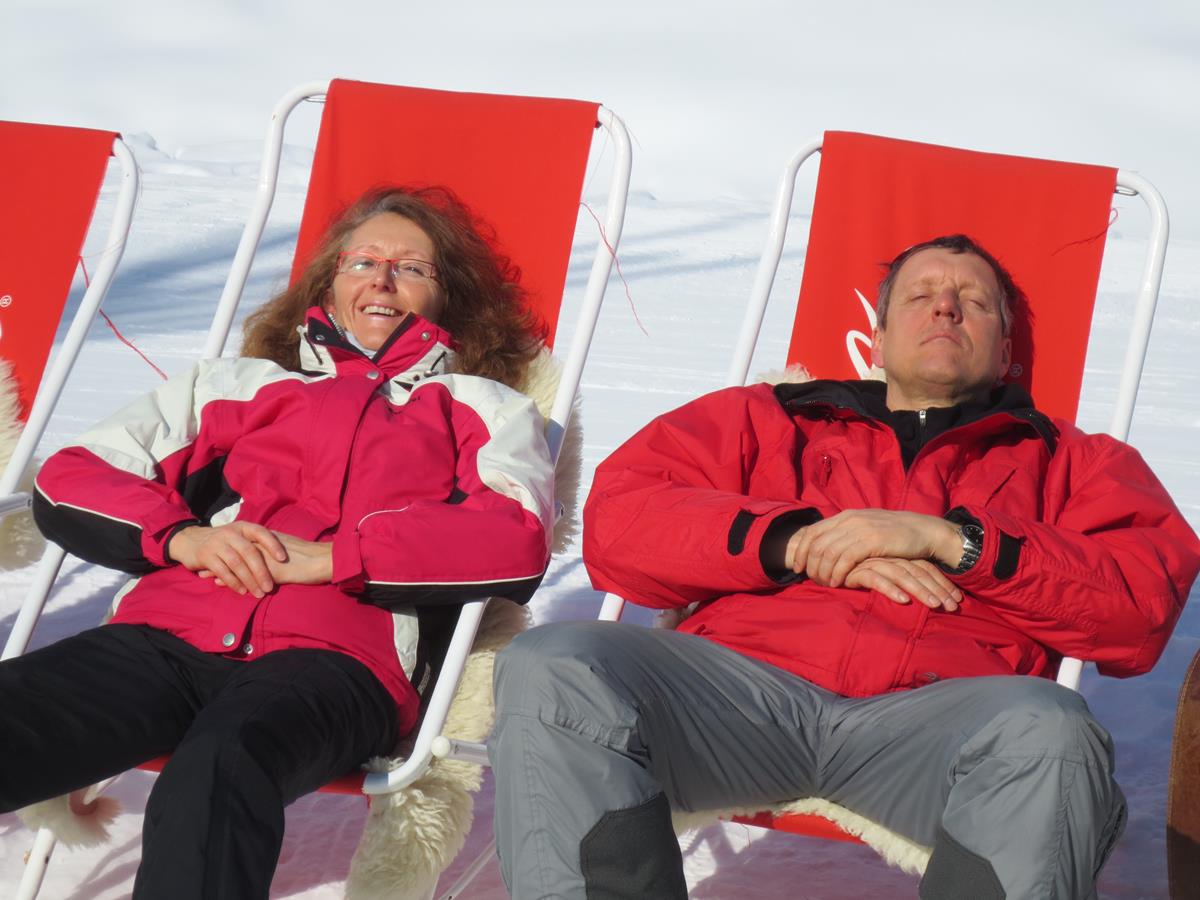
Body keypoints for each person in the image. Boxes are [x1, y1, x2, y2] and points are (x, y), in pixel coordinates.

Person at [488, 234, 1200, 899]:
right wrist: (798, 541)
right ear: (878, 336)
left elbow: (1139, 606)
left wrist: (956, 542)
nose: (946, 308)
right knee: (556, 665)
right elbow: (621, 522)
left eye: (974, 301)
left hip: (938, 729)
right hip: (735, 704)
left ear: (1005, 348)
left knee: (1053, 732)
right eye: (921, 295)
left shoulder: (1075, 462)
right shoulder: (771, 418)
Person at [1, 185, 555, 899]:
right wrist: (183, 538)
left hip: (336, 660)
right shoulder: (236, 387)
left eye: (413, 268)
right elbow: (76, 475)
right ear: (329, 283)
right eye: (363, 261)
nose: (382, 280)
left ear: (448, 297)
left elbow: (514, 536)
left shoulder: (482, 409)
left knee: (219, 769)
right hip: (165, 636)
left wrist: (340, 559)